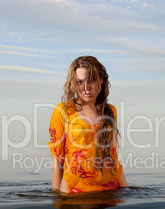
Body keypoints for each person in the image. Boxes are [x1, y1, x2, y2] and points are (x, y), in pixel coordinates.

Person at [47, 56, 128, 193]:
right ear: (73, 83)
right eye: (80, 82)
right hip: (74, 194)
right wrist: (57, 197)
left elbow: (113, 157)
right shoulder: (64, 111)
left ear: (101, 80)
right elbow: (57, 160)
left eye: (91, 80)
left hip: (110, 192)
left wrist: (126, 189)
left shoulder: (110, 111)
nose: (86, 88)